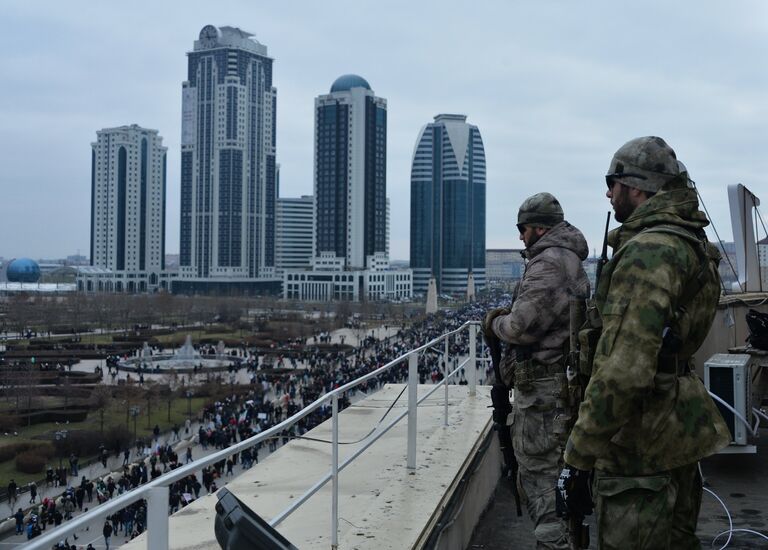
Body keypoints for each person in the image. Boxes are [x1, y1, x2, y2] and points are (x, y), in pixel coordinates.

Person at [560, 136, 731, 548]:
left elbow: (625, 369)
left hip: (637, 445)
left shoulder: (650, 251)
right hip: (675, 433)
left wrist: (578, 457)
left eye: (612, 181)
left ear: (636, 187)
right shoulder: (689, 243)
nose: (607, 192)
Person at [482, 192, 589, 549]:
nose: (519, 235)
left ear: (540, 228)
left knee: (545, 488)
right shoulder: (566, 259)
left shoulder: (548, 264)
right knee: (562, 489)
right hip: (558, 389)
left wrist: (495, 323)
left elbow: (519, 328)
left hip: (543, 396)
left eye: (522, 227)